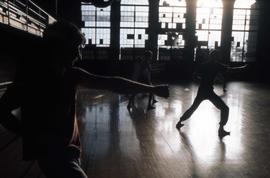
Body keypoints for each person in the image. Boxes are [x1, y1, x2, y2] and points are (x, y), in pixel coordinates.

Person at [0, 21, 169, 178]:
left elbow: (113, 83)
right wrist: (30, 134)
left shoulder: (71, 75)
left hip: (70, 152)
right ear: (60, 47)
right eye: (76, 48)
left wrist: (151, 89)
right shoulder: (32, 79)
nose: (79, 55)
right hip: (55, 156)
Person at [176, 49, 247, 138]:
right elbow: (231, 70)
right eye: (218, 56)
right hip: (208, 91)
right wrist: (242, 68)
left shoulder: (204, 65)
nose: (219, 57)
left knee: (193, 108)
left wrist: (201, 80)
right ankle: (221, 130)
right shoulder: (217, 65)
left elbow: (194, 75)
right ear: (216, 57)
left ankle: (179, 122)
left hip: (202, 90)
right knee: (225, 108)